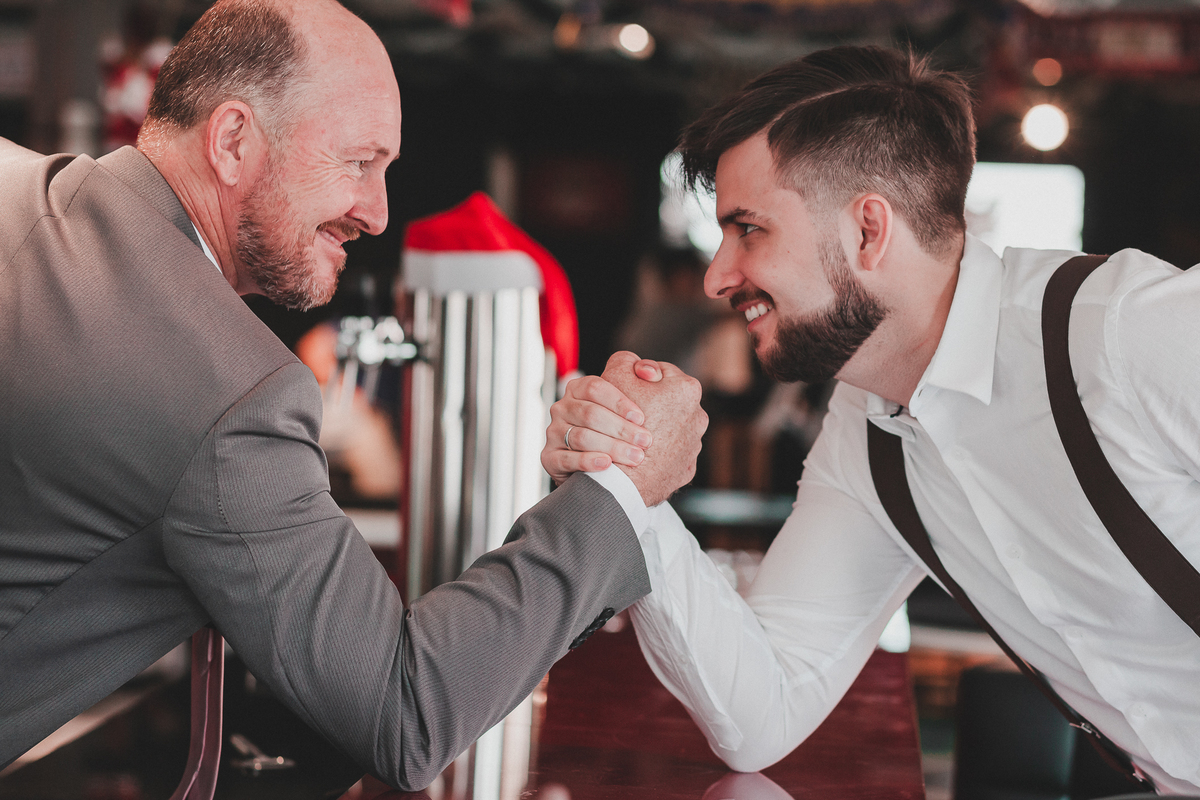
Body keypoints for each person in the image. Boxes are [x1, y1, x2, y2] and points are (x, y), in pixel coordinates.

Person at [0, 0, 707, 788]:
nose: (377, 212)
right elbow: (404, 712)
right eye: (358, 162)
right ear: (232, 141)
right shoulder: (229, 394)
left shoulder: (17, 184)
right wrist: (622, 490)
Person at [542, 46, 1200, 794]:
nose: (716, 274)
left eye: (748, 230)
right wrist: (636, 488)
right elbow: (761, 712)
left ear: (867, 231)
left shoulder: (1129, 333)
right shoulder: (869, 435)